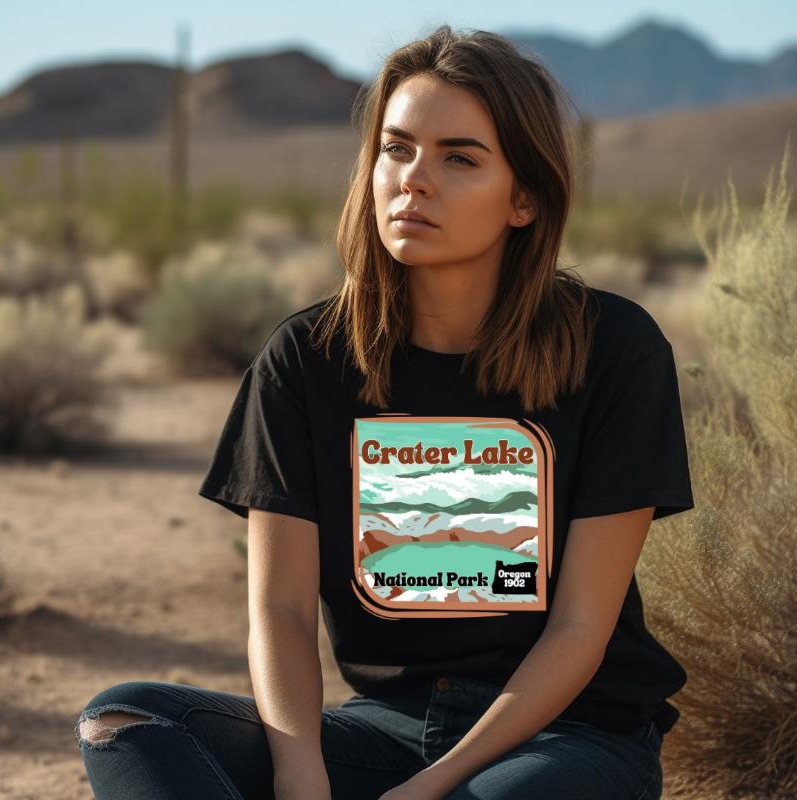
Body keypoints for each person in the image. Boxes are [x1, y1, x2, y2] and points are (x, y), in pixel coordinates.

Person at [75, 24, 694, 800]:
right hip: (384, 726)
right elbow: (283, 611)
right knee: (128, 722)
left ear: (525, 198)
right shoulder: (305, 360)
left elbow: (578, 629)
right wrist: (303, 778)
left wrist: (430, 788)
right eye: (397, 149)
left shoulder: (611, 349)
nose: (414, 180)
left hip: (564, 737)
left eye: (460, 158)